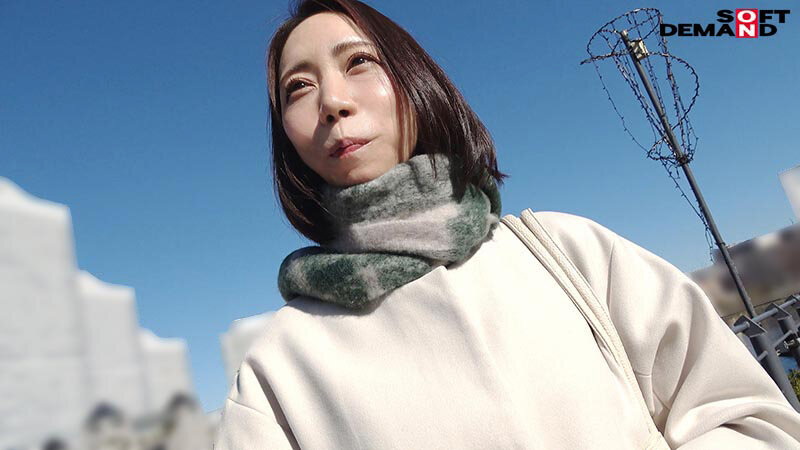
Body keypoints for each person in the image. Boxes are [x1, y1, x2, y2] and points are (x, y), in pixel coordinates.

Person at [214, 0, 800, 448]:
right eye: (298, 87)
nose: (332, 102)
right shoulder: (277, 371)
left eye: (359, 62)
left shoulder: (567, 251)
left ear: (414, 80)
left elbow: (745, 417)